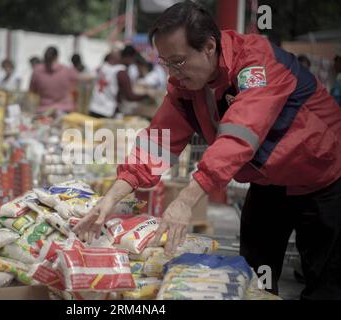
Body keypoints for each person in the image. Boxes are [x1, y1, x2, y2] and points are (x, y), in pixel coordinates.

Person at [73, 1, 341, 300]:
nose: (173, 72)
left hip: (323, 177)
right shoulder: (185, 85)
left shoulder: (256, 64)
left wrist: (186, 200)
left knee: (325, 286)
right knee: (252, 278)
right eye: (166, 63)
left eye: (178, 61)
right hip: (269, 182)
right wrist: (110, 198)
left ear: (209, 47)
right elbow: (157, 143)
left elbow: (239, 135)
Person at [88, 47, 150, 118]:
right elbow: (130, 96)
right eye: (132, 60)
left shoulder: (103, 66)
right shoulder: (121, 72)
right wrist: (147, 95)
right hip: (107, 112)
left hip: (93, 108)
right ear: (129, 57)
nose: (132, 63)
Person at [29, 46, 79, 114]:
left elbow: (32, 91)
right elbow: (79, 84)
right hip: (64, 110)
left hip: (44, 110)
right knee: (88, 123)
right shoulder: (67, 70)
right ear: (57, 56)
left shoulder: (37, 71)